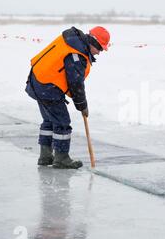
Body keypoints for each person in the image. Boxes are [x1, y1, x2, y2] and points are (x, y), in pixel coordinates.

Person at [26, 26, 110, 169]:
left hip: (38, 81)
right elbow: (75, 83)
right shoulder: (76, 54)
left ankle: (45, 156)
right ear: (93, 43)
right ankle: (61, 158)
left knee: (49, 120)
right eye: (100, 49)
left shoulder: (73, 43)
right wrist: (82, 105)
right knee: (62, 122)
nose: (99, 53)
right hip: (48, 86)